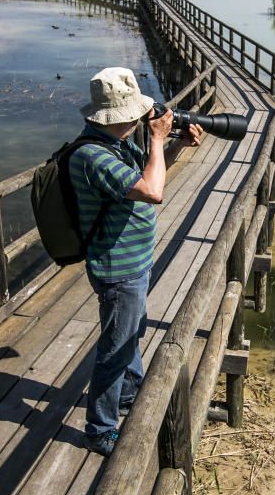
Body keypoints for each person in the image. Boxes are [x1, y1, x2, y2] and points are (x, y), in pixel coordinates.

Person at [69, 67, 203, 456]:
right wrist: (160, 137)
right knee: (115, 346)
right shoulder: (93, 154)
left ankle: (129, 393)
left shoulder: (115, 143)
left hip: (135, 262)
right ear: (119, 116)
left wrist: (174, 146)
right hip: (118, 269)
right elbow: (152, 191)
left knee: (131, 334)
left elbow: (147, 175)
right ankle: (100, 428)